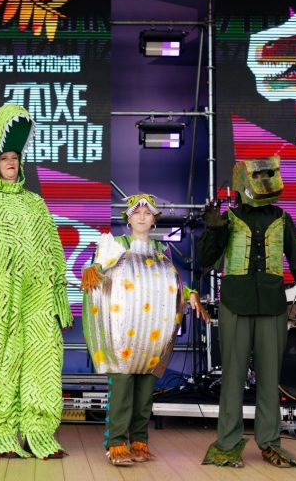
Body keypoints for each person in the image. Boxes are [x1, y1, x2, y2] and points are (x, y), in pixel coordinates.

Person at [0, 104, 72, 459]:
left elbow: (53, 249)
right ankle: (1, 430)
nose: (11, 163)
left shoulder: (36, 204)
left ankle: (38, 431)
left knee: (42, 360)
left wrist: (58, 290)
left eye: (15, 158)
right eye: (4, 157)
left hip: (37, 298)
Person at [199, 156, 296, 469]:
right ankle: (226, 444)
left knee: (269, 377)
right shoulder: (228, 219)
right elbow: (205, 261)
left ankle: (270, 442)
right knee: (233, 377)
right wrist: (213, 230)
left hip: (272, 305)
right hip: (235, 303)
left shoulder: (282, 218)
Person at [81, 194, 209, 466]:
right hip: (122, 332)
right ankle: (116, 445)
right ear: (128, 218)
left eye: (147, 213)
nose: (141, 216)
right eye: (136, 212)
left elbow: (175, 282)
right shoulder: (116, 245)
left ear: (154, 219)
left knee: (144, 393)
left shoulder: (162, 250)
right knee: (122, 390)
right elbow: (96, 270)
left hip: (151, 332)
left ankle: (139, 442)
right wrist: (94, 269)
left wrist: (191, 292)